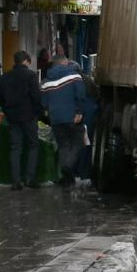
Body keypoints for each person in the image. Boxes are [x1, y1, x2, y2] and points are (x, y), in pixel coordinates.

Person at [41, 48, 96, 187]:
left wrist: (49, 113)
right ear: (64, 63)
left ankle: (66, 176)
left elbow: (43, 103)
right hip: (72, 117)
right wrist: (79, 112)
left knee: (63, 145)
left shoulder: (45, 81)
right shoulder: (74, 76)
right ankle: (67, 166)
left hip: (55, 119)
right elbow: (80, 95)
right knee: (77, 143)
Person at [0, 50, 44, 189]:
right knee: (33, 145)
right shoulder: (31, 75)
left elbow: (0, 97)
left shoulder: (5, 77)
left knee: (15, 148)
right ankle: (30, 178)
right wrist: (38, 112)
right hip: (29, 116)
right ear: (26, 61)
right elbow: (36, 96)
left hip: (13, 117)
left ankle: (16, 181)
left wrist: (7, 110)